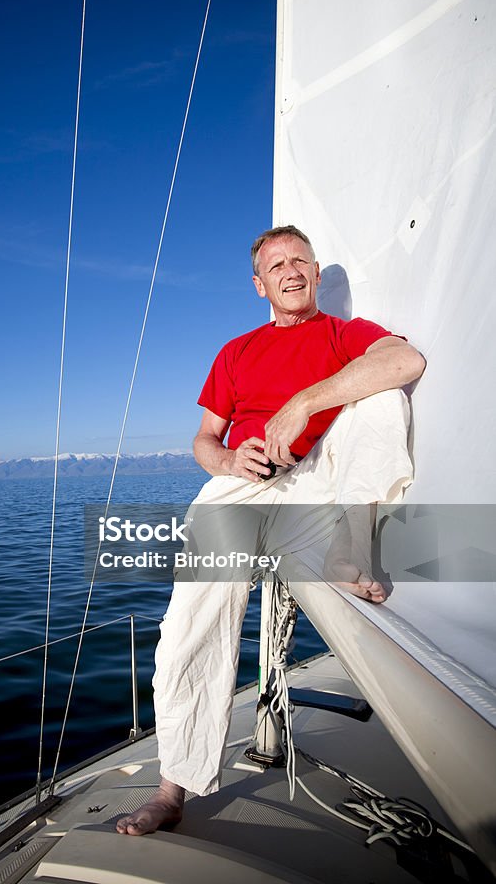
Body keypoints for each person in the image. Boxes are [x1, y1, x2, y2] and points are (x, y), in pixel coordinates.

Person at [116, 225, 426, 836]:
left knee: (383, 395)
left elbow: (405, 360)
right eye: (276, 265)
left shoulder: (344, 334)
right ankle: (172, 788)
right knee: (187, 631)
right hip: (243, 486)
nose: (290, 271)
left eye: (300, 261)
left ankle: (351, 549)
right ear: (260, 284)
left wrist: (306, 402)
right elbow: (205, 440)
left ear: (314, 273)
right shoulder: (236, 352)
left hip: (319, 482)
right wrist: (231, 459)